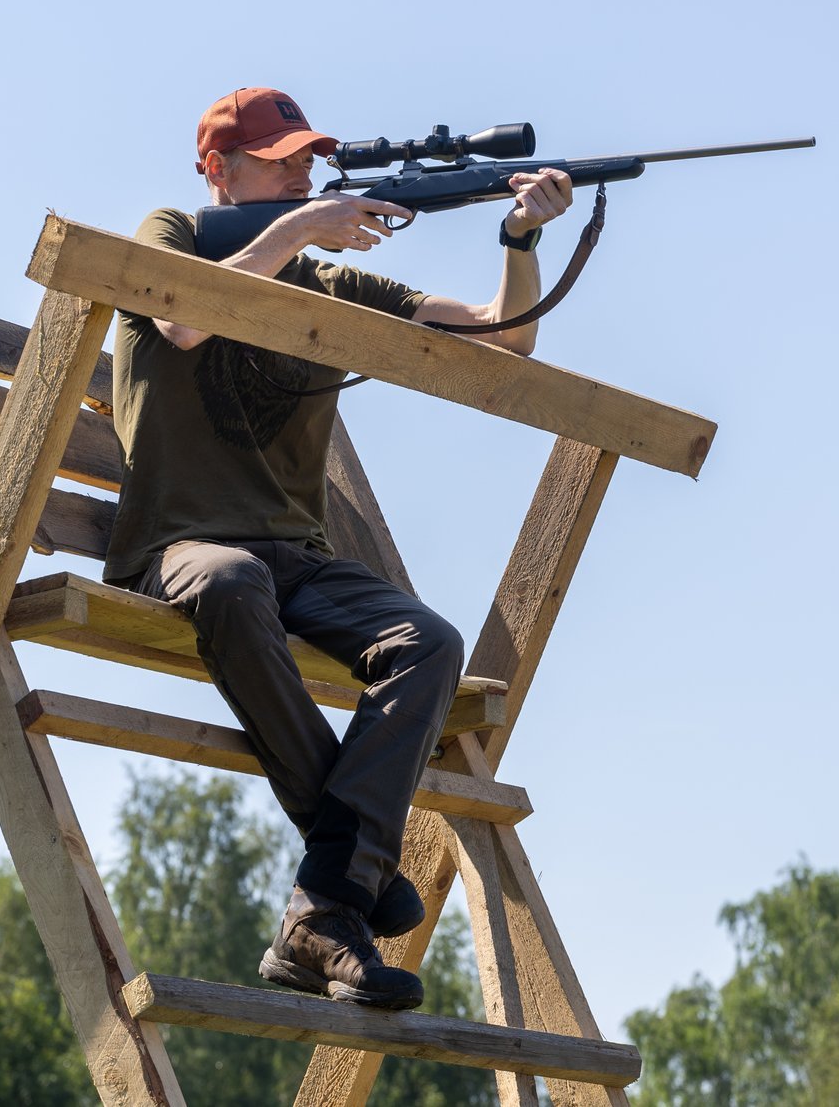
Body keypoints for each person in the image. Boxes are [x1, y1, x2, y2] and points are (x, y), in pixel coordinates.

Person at [103, 88, 574, 1010]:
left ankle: (324, 904)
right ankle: (352, 869)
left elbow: (506, 338)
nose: (301, 177)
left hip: (299, 557)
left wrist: (520, 236)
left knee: (429, 642)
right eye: (279, 163)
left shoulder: (329, 286)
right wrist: (305, 224)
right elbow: (184, 321)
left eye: (308, 163)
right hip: (184, 546)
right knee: (233, 581)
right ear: (219, 172)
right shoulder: (170, 233)